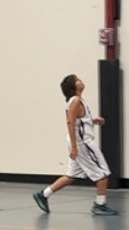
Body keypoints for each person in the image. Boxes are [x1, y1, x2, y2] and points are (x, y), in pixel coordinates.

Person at [33, 74, 117, 217]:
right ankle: (99, 205)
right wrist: (74, 147)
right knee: (102, 173)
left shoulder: (78, 101)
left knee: (71, 175)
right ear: (73, 87)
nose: (81, 81)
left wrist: (93, 121)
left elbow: (78, 120)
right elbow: (70, 122)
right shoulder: (76, 100)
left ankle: (43, 194)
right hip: (83, 143)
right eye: (77, 80)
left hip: (78, 142)